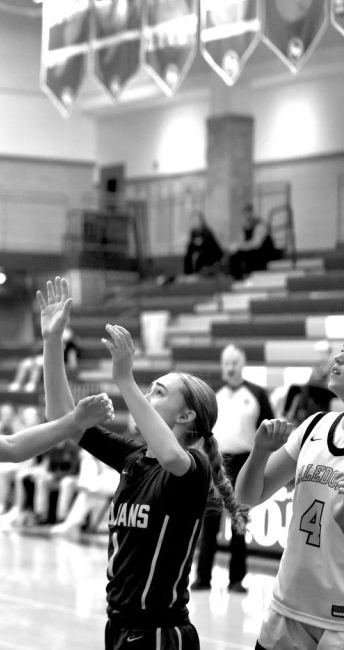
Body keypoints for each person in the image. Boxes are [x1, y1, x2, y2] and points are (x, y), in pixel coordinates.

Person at [38, 277, 248, 650]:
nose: (147, 396)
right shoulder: (133, 458)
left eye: (158, 392)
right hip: (118, 626)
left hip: (159, 634)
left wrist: (124, 379)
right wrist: (52, 342)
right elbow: (60, 418)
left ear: (185, 418)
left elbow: (170, 455)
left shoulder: (193, 469)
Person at [235, 344, 344, 650]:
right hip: (287, 608)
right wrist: (259, 452)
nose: (338, 357)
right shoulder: (314, 426)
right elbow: (247, 496)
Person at [191, 344, 273, 594]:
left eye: (234, 362)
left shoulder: (257, 394)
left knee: (240, 523)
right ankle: (203, 578)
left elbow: (268, 431)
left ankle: (236, 580)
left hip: (244, 462)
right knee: (210, 523)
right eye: (226, 362)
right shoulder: (214, 393)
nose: (230, 367)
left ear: (243, 362)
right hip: (216, 461)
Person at [228, 203, 280, 280]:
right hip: (253, 250)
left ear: (252, 213)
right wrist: (236, 247)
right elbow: (241, 241)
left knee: (244, 254)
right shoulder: (245, 226)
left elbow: (256, 243)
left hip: (264, 252)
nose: (247, 215)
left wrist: (240, 246)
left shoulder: (261, 225)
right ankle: (237, 279)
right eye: (245, 213)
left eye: (248, 213)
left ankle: (247, 276)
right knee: (234, 255)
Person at [183, 210, 223, 277]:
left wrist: (200, 243)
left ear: (201, 221)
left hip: (211, 253)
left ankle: (200, 272)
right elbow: (192, 245)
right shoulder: (193, 232)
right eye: (194, 221)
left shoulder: (207, 231)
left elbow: (210, 246)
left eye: (197, 221)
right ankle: (188, 274)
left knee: (200, 256)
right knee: (187, 255)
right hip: (200, 251)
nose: (196, 223)